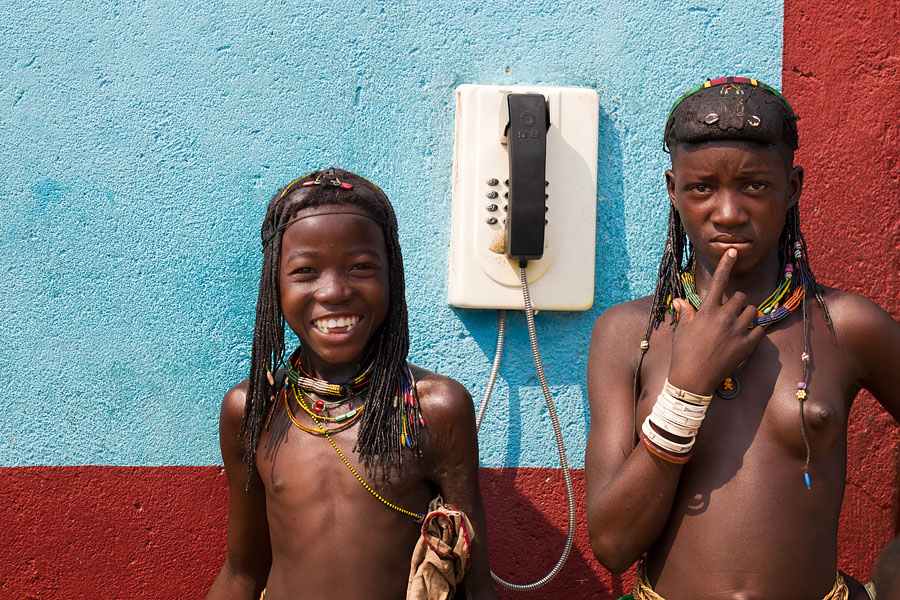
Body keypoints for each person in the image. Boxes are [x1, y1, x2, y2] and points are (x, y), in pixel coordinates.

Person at [585, 78, 900, 599]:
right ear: (672, 189)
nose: (728, 212)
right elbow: (613, 545)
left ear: (792, 187)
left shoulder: (845, 326)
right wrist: (687, 390)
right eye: (701, 188)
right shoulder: (629, 333)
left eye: (754, 186)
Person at [207, 168, 495, 600]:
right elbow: (242, 572)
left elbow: (476, 586)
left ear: (392, 276)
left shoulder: (433, 409)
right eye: (305, 271)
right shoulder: (253, 409)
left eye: (361, 267)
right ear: (274, 284)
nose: (334, 291)